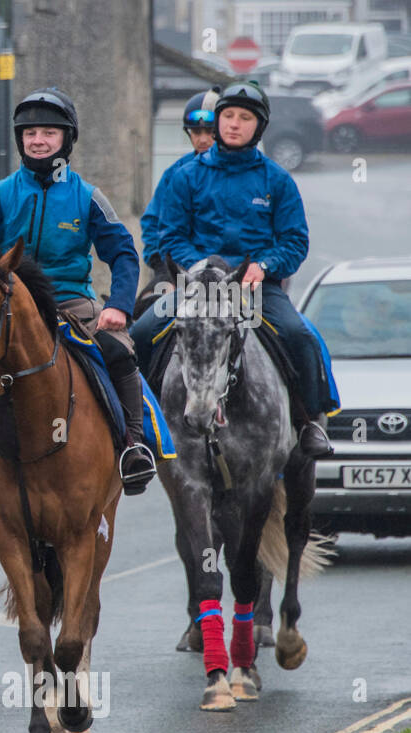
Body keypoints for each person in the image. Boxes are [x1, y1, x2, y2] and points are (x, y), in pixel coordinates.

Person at [0, 87, 155, 496]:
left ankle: (134, 446)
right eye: (30, 133)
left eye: (49, 133)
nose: (38, 140)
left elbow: (123, 254)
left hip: (72, 302)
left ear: (66, 140)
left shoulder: (88, 196)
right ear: (21, 140)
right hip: (6, 304)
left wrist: (119, 306)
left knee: (119, 350)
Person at [133, 82, 334, 458]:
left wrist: (264, 264)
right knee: (142, 332)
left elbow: (294, 240)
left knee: (300, 335)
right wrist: (201, 269)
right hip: (196, 286)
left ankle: (309, 422)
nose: (234, 124)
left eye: (245, 118)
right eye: (228, 116)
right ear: (218, 120)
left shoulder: (277, 180)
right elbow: (170, 235)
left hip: (256, 289)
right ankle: (139, 427)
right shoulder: (185, 176)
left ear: (258, 127)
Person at [140, 88, 219, 269]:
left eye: (210, 132)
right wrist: (159, 264)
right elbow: (153, 222)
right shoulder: (175, 173)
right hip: (181, 268)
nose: (203, 139)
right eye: (196, 132)